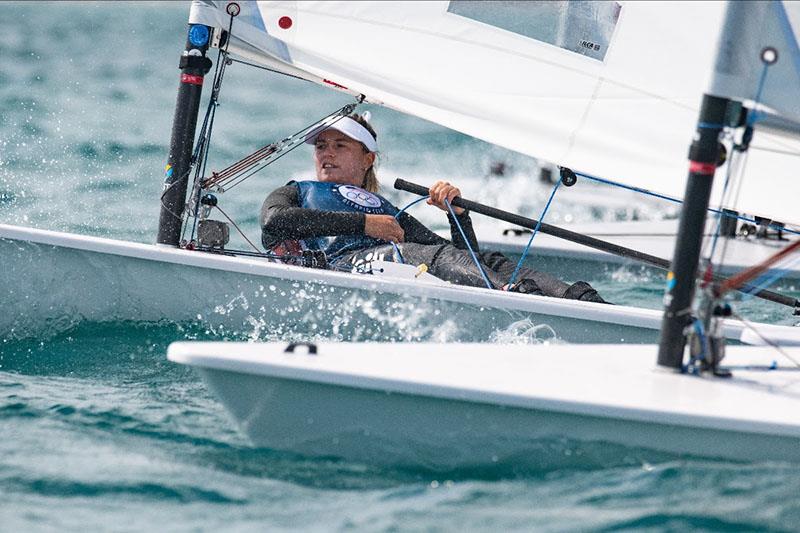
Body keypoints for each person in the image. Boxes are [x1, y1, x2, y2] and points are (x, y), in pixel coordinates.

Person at [260, 113, 606, 303]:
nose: (327, 153)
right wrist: (365, 225)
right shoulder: (297, 191)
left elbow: (453, 254)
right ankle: (509, 295)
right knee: (414, 254)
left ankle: (575, 297)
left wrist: (457, 216)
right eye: (321, 146)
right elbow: (274, 223)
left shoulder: (385, 209)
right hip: (338, 269)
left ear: (368, 158)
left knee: (488, 259)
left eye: (340, 145)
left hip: (394, 262)